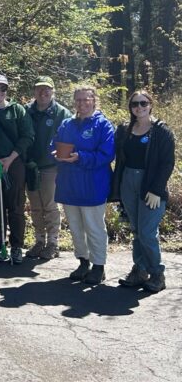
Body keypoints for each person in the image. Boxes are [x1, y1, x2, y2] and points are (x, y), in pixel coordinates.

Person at [111, 91, 175, 293]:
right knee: (137, 230)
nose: (139, 107)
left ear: (150, 104)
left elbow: (167, 163)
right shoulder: (124, 129)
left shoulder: (161, 131)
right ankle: (140, 270)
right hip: (128, 181)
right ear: (130, 107)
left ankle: (157, 273)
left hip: (150, 184)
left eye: (143, 103)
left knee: (147, 232)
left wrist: (156, 189)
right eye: (134, 104)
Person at [53, 84, 115, 285]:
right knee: (76, 228)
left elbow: (106, 155)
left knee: (94, 228)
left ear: (94, 100)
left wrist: (80, 157)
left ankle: (99, 266)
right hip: (69, 185)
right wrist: (54, 153)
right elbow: (54, 144)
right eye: (78, 100)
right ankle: (83, 262)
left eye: (86, 99)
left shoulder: (103, 125)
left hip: (92, 186)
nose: (82, 103)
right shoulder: (67, 124)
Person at [0, 74, 34, 264]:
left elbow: (28, 136)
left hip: (14, 164)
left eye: (3, 89)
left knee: (15, 206)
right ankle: (0, 245)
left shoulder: (17, 110)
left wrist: (10, 158)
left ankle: (16, 247)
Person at [24, 76, 72, 260]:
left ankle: (53, 243)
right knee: (35, 206)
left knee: (50, 206)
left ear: (53, 91)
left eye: (47, 89)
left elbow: (68, 139)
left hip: (51, 166)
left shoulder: (61, 113)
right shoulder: (27, 110)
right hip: (30, 165)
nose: (43, 93)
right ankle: (39, 241)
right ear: (34, 91)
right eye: (39, 89)